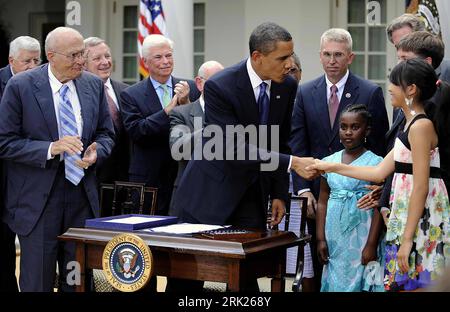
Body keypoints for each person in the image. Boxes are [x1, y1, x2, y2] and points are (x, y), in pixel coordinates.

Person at [309, 59, 450, 291]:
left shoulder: (420, 127)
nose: (389, 88)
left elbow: (421, 186)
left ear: (411, 90)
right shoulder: (408, 125)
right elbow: (377, 172)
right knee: (404, 282)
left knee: (417, 282)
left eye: (393, 83)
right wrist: (327, 166)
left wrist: (407, 240)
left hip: (421, 220)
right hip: (405, 217)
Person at [0, 27, 115, 292]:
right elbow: (5, 142)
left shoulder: (92, 85)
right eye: (74, 55)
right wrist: (51, 148)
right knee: (37, 281)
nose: (81, 61)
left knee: (75, 279)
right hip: (38, 200)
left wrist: (98, 151)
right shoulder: (21, 86)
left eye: (82, 54)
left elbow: (106, 133)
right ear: (51, 56)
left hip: (80, 196)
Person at [289, 28, 389, 290]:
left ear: (350, 57)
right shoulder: (305, 91)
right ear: (320, 57)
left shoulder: (370, 92)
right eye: (327, 54)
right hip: (317, 197)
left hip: (363, 203)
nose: (332, 60)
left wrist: (382, 187)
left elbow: (380, 146)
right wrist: (301, 187)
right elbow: (298, 142)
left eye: (338, 55)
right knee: (320, 265)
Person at [120, 34, 197, 216]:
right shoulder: (131, 94)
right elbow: (138, 131)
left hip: (183, 174)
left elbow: (202, 128)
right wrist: (168, 111)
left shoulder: (191, 87)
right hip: (149, 178)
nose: (165, 61)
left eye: (168, 56)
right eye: (158, 57)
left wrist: (185, 104)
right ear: (145, 62)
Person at [316, 104, 384, 292]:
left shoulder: (376, 163)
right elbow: (322, 200)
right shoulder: (328, 162)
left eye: (355, 127)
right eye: (343, 127)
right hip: (334, 236)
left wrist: (371, 244)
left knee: (364, 277)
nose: (348, 132)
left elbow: (379, 205)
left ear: (366, 130)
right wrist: (320, 238)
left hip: (363, 234)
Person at [0, 35, 41, 292]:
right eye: (27, 60)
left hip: (30, 182)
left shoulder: (41, 84)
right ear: (11, 60)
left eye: (37, 60)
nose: (32, 66)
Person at [168, 60, 224, 217]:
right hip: (190, 198)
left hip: (225, 201)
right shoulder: (182, 113)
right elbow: (177, 147)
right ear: (199, 83)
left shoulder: (235, 113)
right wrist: (210, 130)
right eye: (215, 82)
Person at [83, 37, 130, 189]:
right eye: (97, 58)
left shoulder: (126, 91)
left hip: (125, 178)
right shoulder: (77, 95)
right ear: (83, 64)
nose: (105, 62)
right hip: (92, 177)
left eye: (107, 56)